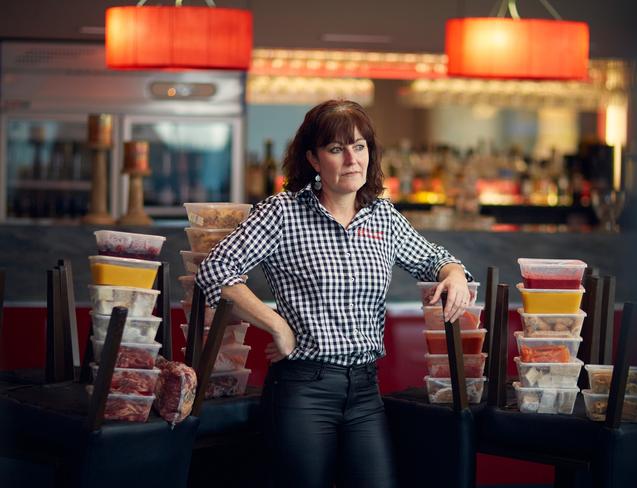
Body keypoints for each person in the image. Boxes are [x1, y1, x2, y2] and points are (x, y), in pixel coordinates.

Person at [196, 99, 473, 488]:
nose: (351, 160)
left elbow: (436, 259)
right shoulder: (283, 213)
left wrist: (454, 274)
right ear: (313, 159)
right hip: (302, 390)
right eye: (336, 149)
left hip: (364, 390)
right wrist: (275, 324)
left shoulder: (382, 216)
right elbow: (215, 270)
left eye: (359, 147)